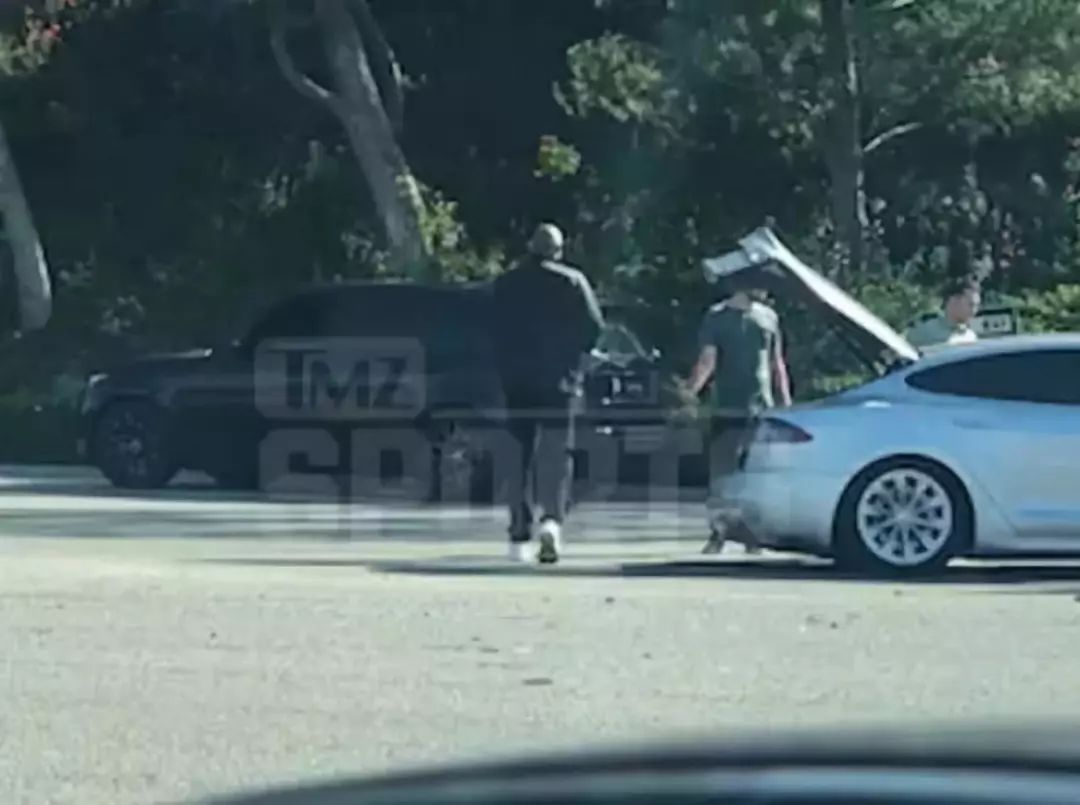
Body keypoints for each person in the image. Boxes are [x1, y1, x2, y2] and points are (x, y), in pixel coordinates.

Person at [491, 223, 605, 564]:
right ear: (559, 250)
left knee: (518, 456)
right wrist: (573, 357)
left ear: (529, 246)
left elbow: (488, 326)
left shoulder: (506, 283)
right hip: (560, 381)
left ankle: (517, 533)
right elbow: (594, 326)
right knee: (556, 453)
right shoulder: (572, 281)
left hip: (516, 381)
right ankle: (552, 521)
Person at [682, 279, 792, 555]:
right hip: (738, 407)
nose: (766, 289)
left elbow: (776, 363)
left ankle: (736, 534)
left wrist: (786, 402)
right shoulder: (726, 317)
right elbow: (710, 361)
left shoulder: (760, 316)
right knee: (736, 473)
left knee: (736, 474)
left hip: (749, 408)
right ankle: (732, 534)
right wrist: (690, 394)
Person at [905, 277, 981, 354]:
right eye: (971, 305)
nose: (974, 311)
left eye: (977, 306)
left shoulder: (970, 337)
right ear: (953, 301)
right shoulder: (924, 330)